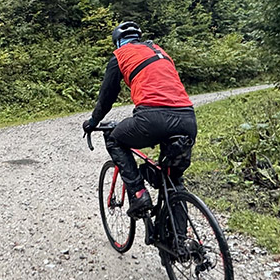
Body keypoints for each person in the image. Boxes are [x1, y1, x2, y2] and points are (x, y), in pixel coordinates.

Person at [83, 21, 197, 229]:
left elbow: (106, 99)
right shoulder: (160, 52)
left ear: (118, 42)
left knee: (115, 139)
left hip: (152, 119)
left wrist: (92, 122)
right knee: (173, 180)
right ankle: (181, 243)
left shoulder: (120, 56)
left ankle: (138, 194)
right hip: (188, 120)